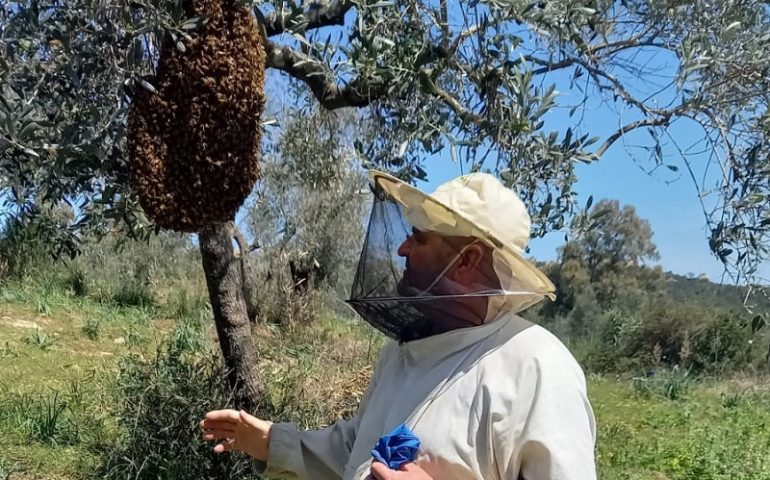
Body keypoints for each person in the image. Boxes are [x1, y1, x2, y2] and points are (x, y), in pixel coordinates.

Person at [200, 171, 597, 479]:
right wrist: (274, 443)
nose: (402, 248)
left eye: (419, 239)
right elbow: (358, 450)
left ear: (468, 260)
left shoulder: (536, 368)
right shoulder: (401, 355)